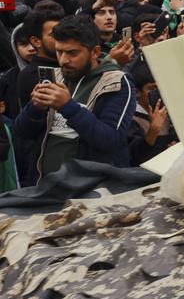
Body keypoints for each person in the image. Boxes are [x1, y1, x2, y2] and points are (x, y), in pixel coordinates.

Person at [14, 15, 136, 184]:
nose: (64, 60)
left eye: (72, 53)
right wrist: (35, 108)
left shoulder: (115, 82)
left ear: (94, 52)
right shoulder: (55, 77)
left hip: (91, 191)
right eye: (59, 51)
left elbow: (111, 140)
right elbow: (21, 133)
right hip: (46, 186)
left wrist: (68, 107)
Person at [127, 63, 176, 165]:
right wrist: (153, 130)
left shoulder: (164, 113)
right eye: (153, 89)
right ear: (137, 92)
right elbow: (137, 155)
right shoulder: (131, 119)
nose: (159, 94)